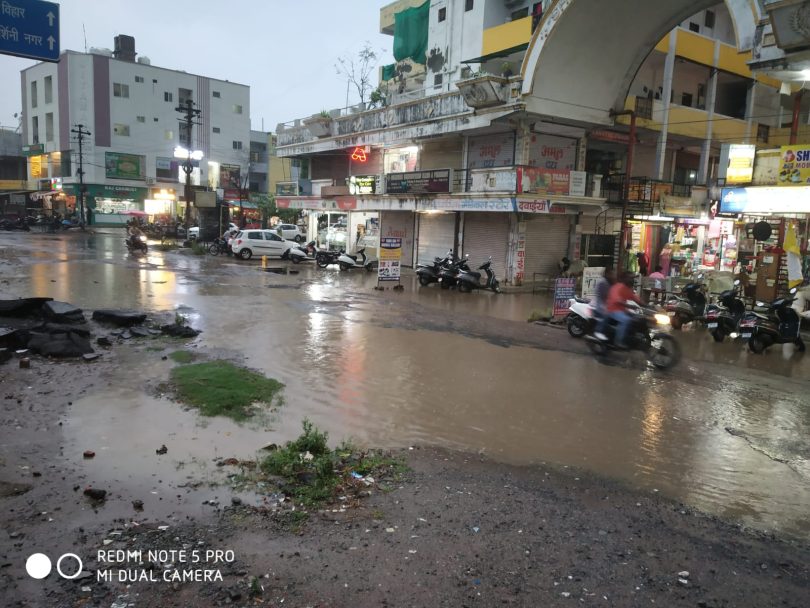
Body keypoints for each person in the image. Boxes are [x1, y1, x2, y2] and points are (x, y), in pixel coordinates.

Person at [605, 272, 643, 349]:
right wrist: (629, 306)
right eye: (630, 278)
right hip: (612, 309)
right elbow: (617, 300)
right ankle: (618, 342)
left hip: (622, 310)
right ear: (624, 279)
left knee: (637, 318)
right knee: (626, 320)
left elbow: (635, 299)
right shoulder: (617, 287)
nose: (632, 280)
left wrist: (648, 306)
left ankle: (630, 336)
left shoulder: (627, 289)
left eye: (633, 278)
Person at [593, 267, 616, 336]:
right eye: (611, 274)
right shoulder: (603, 282)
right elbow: (606, 296)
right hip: (601, 305)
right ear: (607, 274)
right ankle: (598, 332)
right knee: (607, 314)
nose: (613, 275)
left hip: (606, 304)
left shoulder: (609, 282)